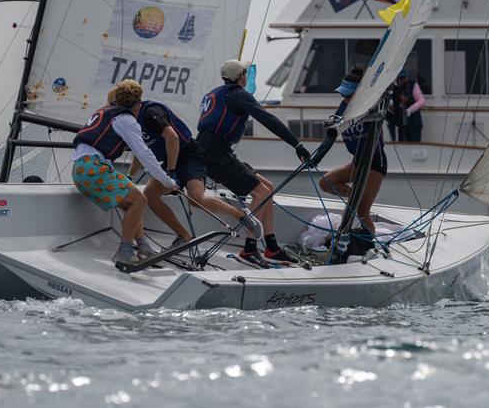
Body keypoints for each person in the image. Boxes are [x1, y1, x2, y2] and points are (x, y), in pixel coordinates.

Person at [197, 59, 310, 266]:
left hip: (216, 151)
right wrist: (296, 144)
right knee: (260, 192)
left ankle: (272, 248)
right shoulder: (238, 94)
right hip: (214, 153)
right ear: (241, 77)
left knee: (268, 188)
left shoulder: (215, 93)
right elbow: (267, 119)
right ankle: (249, 250)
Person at [126, 96, 263, 245]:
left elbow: (173, 137)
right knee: (150, 195)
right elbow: (139, 151)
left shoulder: (150, 112)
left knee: (196, 199)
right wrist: (130, 176)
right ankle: (184, 236)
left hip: (191, 156)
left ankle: (241, 215)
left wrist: (171, 172)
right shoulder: (130, 123)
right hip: (171, 161)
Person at [72, 79, 177, 263]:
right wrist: (167, 181)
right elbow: (144, 154)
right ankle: (124, 252)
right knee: (140, 200)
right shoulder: (125, 119)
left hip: (81, 169)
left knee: (131, 203)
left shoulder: (103, 112)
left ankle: (143, 245)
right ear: (137, 103)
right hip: (94, 169)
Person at [319, 64, 386, 239]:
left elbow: (395, 116)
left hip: (374, 162)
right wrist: (316, 157)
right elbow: (332, 133)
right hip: (357, 161)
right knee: (325, 183)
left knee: (362, 212)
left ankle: (368, 243)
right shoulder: (343, 107)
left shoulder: (371, 105)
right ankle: (356, 195)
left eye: (348, 95)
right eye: (343, 94)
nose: (345, 98)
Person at [392, 70, 427, 142]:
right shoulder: (395, 88)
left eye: (404, 77)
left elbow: (422, 101)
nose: (402, 80)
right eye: (400, 78)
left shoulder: (413, 85)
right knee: (401, 142)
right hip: (401, 121)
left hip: (414, 120)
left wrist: (410, 109)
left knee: (414, 141)